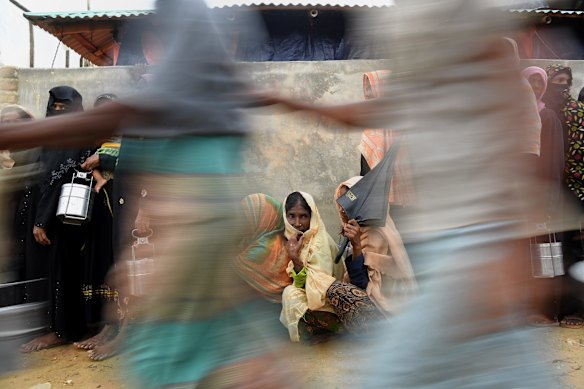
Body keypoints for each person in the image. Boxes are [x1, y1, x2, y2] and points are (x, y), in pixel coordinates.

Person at [261, 1, 558, 386]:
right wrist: (286, 100)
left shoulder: (481, 69)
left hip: (471, 250)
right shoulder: (429, 85)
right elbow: (363, 112)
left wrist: (509, 257)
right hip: (448, 251)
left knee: (397, 373)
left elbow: (517, 161)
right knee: (491, 363)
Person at [0, 1, 291, 387]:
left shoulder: (174, 102)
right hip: (194, 271)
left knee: (178, 358)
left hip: (187, 268)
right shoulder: (221, 104)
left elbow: (66, 130)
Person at [331, 176, 416, 323]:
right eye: (342, 202)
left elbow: (365, 284)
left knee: (337, 291)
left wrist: (356, 245)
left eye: (350, 202)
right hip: (374, 300)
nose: (343, 209)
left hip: (388, 308)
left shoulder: (375, 233)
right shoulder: (361, 228)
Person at [521, 66, 565, 328]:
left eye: (540, 81)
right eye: (530, 81)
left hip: (540, 197)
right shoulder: (517, 117)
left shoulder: (548, 117)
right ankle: (525, 308)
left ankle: (546, 311)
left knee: (544, 253)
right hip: (519, 198)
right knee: (523, 255)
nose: (535, 85)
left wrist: (547, 201)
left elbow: (553, 163)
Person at [543, 64, 584, 329]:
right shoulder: (536, 111)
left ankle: (574, 311)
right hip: (544, 192)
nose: (562, 85)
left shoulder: (577, 112)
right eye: (556, 80)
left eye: (565, 81)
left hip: (573, 190)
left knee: (573, 250)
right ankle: (546, 309)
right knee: (545, 251)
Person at [280, 191, 342, 343]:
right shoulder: (296, 239)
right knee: (290, 292)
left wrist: (294, 257)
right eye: (291, 216)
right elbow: (301, 284)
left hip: (330, 303)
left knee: (291, 294)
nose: (297, 223)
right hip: (313, 296)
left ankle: (333, 328)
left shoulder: (318, 243)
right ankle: (319, 329)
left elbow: (319, 289)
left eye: (303, 216)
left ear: (312, 217)